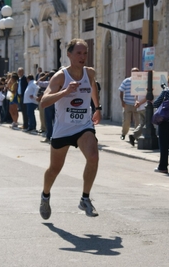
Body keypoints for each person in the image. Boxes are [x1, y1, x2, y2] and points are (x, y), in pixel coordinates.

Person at [39, 38, 101, 220]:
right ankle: (45, 195)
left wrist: (97, 108)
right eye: (78, 53)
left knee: (94, 157)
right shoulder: (60, 77)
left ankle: (85, 198)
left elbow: (93, 88)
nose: (83, 57)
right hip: (63, 129)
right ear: (69, 54)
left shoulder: (89, 73)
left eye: (85, 53)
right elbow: (43, 102)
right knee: (55, 169)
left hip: (83, 125)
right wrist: (65, 92)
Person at [119, 67, 140, 140]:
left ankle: (136, 135)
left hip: (137, 105)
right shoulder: (126, 81)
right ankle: (123, 134)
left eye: (137, 72)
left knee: (138, 121)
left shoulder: (140, 81)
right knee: (126, 121)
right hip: (127, 104)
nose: (135, 74)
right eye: (134, 72)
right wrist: (122, 101)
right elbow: (121, 91)